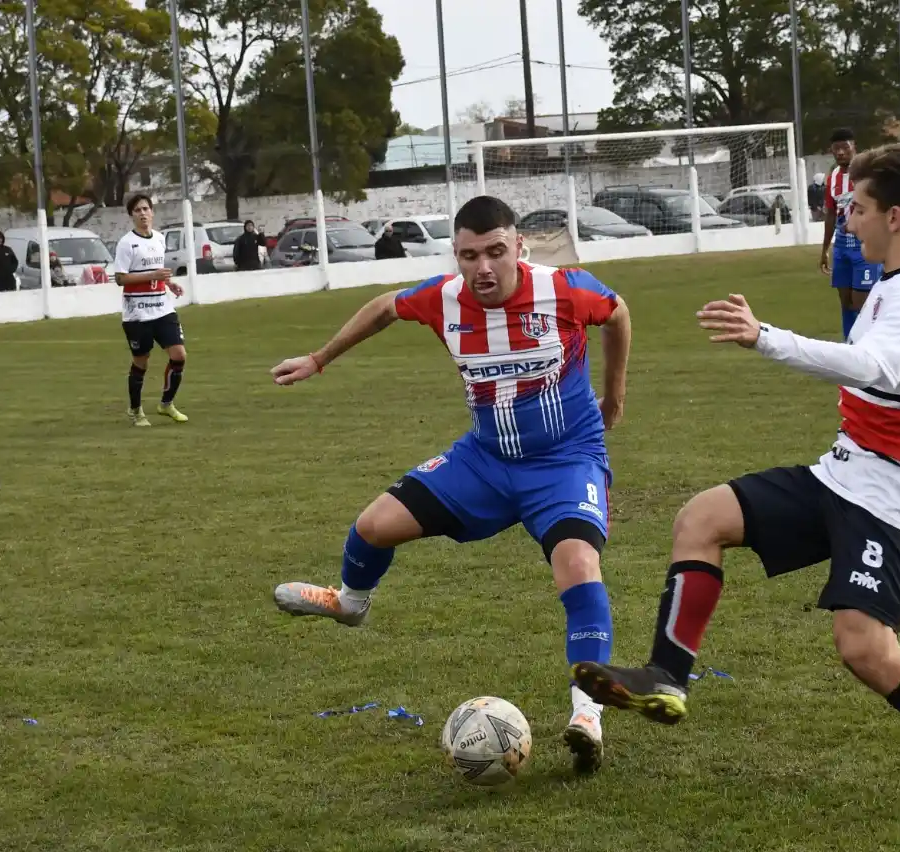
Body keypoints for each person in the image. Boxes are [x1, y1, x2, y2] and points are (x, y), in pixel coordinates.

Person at [569, 142, 900, 820]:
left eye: (858, 206)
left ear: (898, 218)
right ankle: (668, 677)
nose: (847, 219)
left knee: (864, 648)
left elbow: (873, 366)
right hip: (845, 472)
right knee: (701, 519)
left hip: (893, 499)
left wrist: (765, 337)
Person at [269, 195, 632, 775]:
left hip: (565, 461)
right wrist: (320, 358)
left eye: (494, 252)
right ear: (456, 256)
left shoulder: (565, 289)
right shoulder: (444, 298)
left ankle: (587, 715)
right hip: (486, 460)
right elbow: (386, 306)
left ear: (519, 246)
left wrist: (614, 393)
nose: (482, 267)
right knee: (372, 527)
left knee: (579, 566)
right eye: (468, 256)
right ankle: (350, 602)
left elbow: (616, 314)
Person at [113, 194, 187, 427]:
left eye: (146, 209)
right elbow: (120, 278)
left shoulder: (159, 238)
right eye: (137, 210)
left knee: (179, 355)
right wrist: (152, 276)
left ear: (152, 212)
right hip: (137, 314)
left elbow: (157, 271)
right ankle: (136, 410)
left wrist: (168, 284)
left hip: (163, 309)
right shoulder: (126, 243)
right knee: (141, 363)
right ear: (132, 216)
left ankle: (166, 404)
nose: (143, 213)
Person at [820, 128, 882, 340]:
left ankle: (873, 344)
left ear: (854, 147)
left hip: (864, 247)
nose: (840, 153)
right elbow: (830, 213)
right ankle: (851, 345)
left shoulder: (869, 175)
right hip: (842, 248)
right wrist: (825, 249)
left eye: (845, 147)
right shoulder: (833, 178)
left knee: (862, 303)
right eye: (836, 149)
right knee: (846, 303)